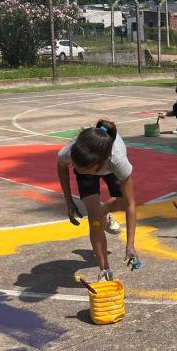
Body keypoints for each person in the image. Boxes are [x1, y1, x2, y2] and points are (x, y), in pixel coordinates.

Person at [57, 119, 138, 282]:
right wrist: (68, 201)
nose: (77, 170)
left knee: (121, 203)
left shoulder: (117, 160)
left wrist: (130, 245)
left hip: (106, 165)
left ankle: (104, 211)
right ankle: (104, 270)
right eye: (75, 165)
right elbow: (61, 165)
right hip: (89, 160)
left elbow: (130, 205)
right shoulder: (74, 153)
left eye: (81, 168)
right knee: (95, 221)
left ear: (101, 164)